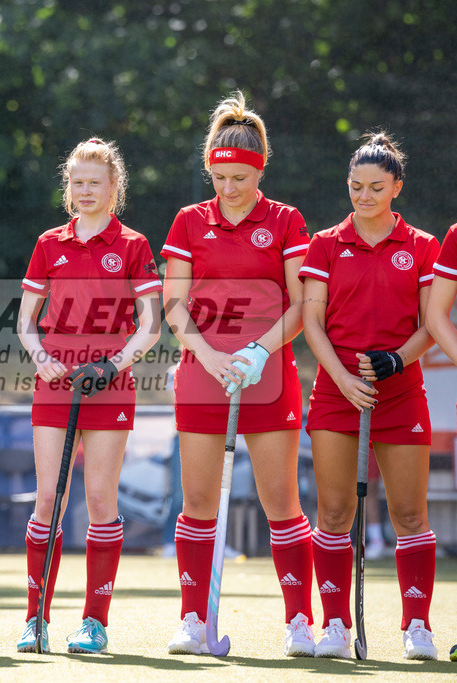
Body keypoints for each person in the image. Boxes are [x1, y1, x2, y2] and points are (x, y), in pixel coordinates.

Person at [161, 92, 315, 657]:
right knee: (198, 500)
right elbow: (174, 305)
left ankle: (300, 622)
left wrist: (256, 351)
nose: (227, 189)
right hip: (203, 372)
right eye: (219, 177)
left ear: (260, 170)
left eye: (239, 178)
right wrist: (208, 355)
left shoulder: (285, 220)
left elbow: (302, 305)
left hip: (267, 372)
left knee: (281, 500)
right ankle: (194, 620)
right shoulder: (187, 221)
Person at [14, 138, 162, 654]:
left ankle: (94, 623)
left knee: (100, 500)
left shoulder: (134, 244)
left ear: (113, 187)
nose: (83, 191)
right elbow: (25, 322)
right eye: (76, 182)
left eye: (94, 183)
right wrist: (41, 358)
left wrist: (113, 364)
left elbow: (150, 326)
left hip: (110, 382)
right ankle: (36, 618)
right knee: (48, 499)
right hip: (55, 384)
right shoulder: (48, 243)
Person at [302, 132, 440, 660]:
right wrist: (341, 377)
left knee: (409, 514)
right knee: (334, 512)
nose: (363, 196)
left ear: (396, 188)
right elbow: (312, 322)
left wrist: (397, 359)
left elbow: (432, 322)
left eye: (375, 187)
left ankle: (417, 627)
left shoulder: (423, 246)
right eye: (356, 186)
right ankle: (334, 625)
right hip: (338, 392)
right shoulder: (324, 244)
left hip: (401, 392)